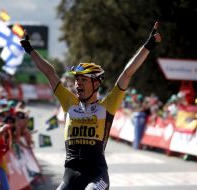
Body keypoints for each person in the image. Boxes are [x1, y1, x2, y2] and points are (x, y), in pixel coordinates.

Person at [20, 22, 161, 190]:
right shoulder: (69, 103)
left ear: (96, 84)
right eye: (77, 79)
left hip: (97, 176)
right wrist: (29, 49)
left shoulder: (108, 105)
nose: (78, 83)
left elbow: (127, 73)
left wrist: (149, 45)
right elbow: (50, 73)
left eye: (83, 80)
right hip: (70, 176)